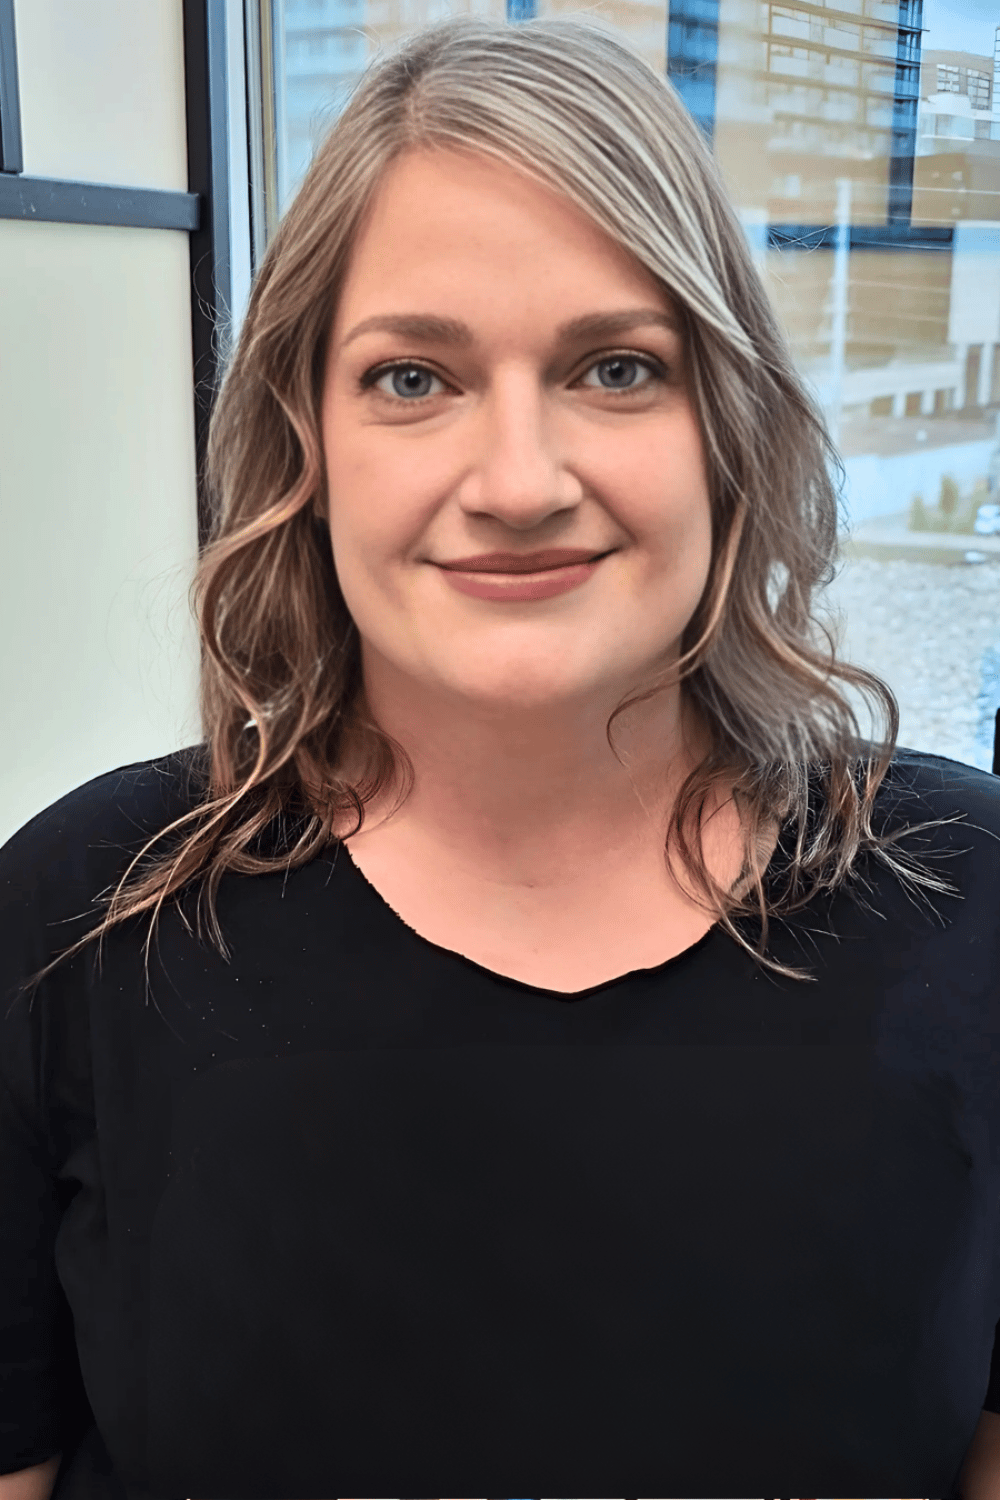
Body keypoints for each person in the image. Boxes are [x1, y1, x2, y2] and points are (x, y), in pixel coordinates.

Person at [2, 12, 1000, 1500]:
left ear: (726, 425)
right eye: (414, 378)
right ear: (305, 441)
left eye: (617, 368)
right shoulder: (82, 917)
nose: (519, 483)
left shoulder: (970, 903)